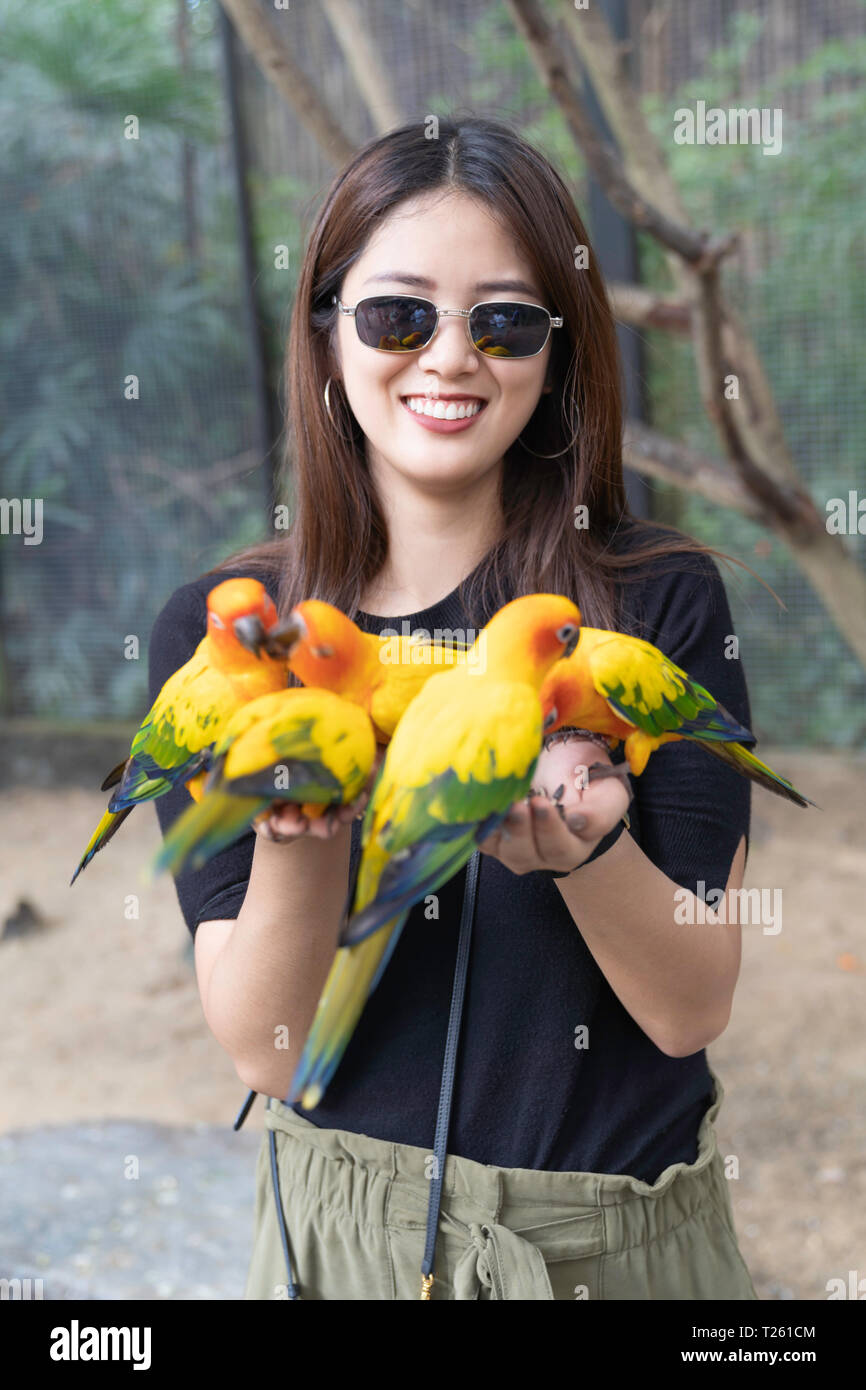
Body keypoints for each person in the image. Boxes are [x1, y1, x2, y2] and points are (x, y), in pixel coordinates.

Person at [150, 116, 758, 1301]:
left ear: (555, 352)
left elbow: (689, 1010)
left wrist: (586, 854)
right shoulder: (229, 637)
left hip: (617, 1247)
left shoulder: (653, 607)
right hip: (338, 1240)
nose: (448, 356)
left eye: (503, 321)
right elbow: (268, 1048)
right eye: (395, 314)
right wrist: (302, 833)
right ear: (326, 335)